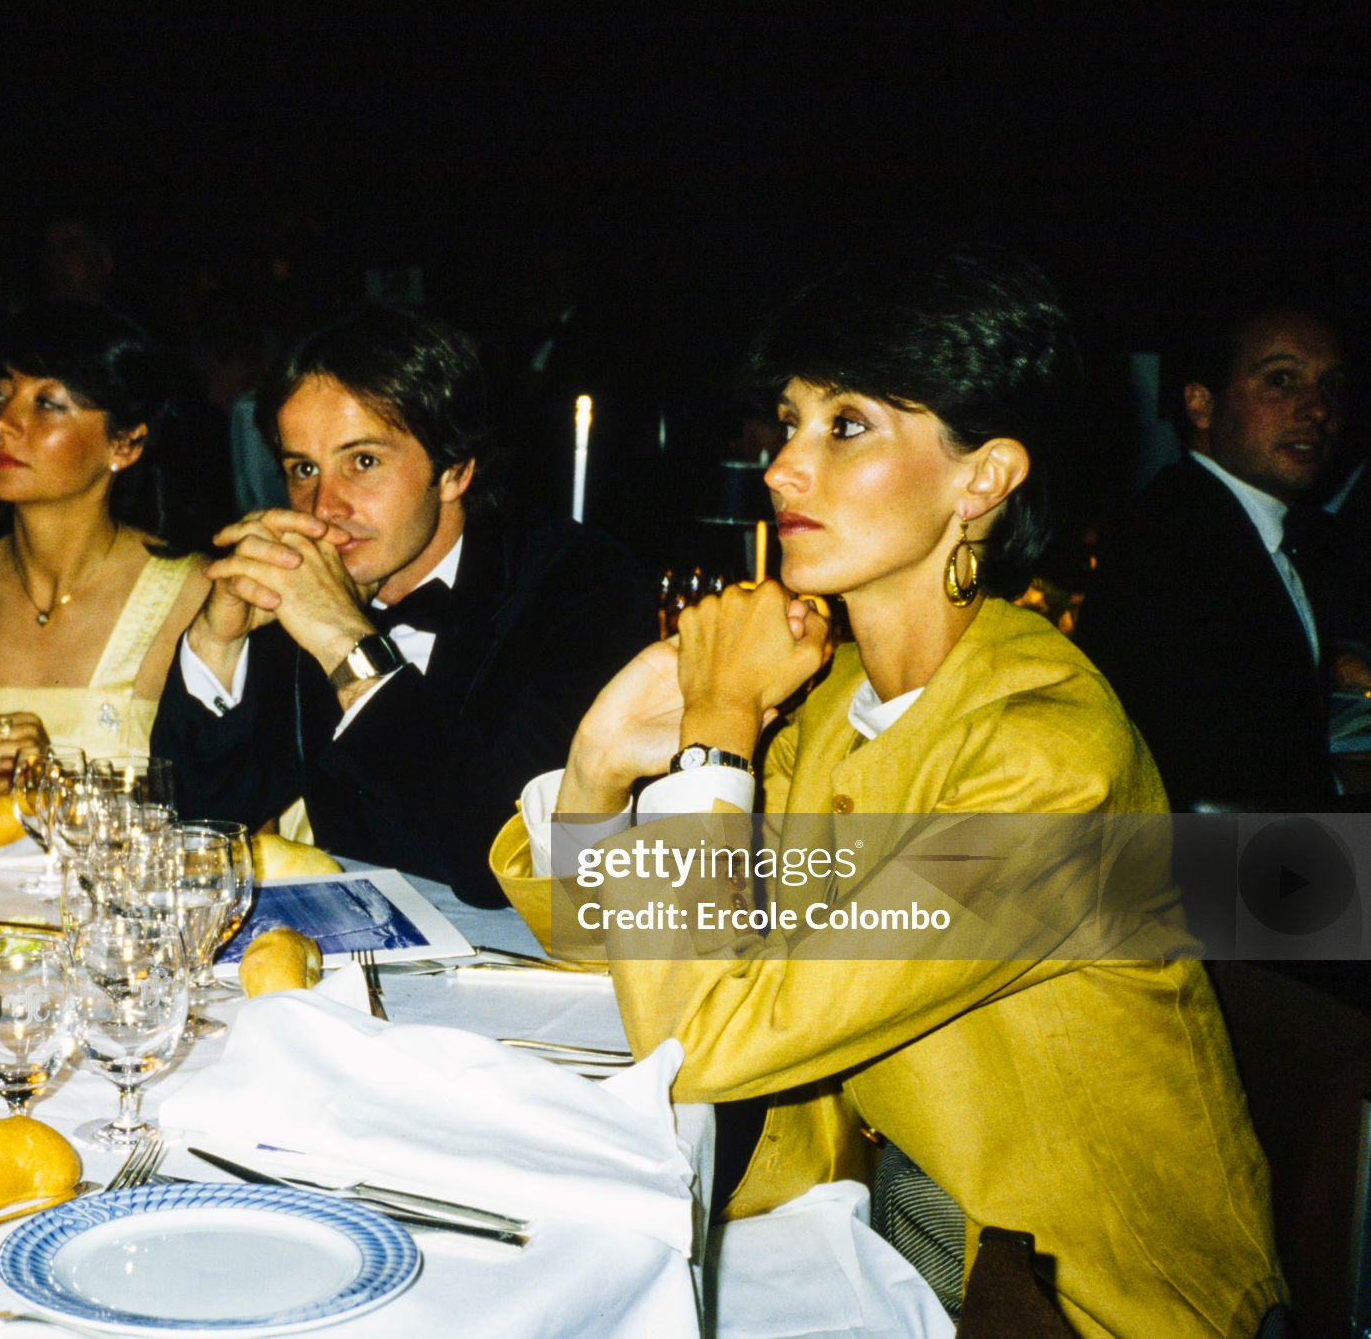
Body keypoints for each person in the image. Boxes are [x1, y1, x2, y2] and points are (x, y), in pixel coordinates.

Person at [492, 245, 1282, 1336]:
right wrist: (595, 769)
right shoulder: (836, 702)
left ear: (983, 477)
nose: (779, 468)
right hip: (873, 1245)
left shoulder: (1048, 769)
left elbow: (700, 1042)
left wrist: (717, 743)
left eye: (845, 425)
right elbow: (608, 942)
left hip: (1076, 1302)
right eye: (786, 421)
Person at [152, 305, 649, 907]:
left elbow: (504, 859)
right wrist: (218, 642)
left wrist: (347, 645)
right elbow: (194, 829)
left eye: (363, 461)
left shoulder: (583, 584)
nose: (323, 506)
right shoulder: (312, 579)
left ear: (455, 470)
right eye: (302, 468)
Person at [0, 301, 207, 792]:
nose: (2, 422)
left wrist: (54, 780)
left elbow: (227, 808)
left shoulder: (191, 594)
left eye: (47, 403)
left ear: (125, 443)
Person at [1076, 304, 1348, 809]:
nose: (1317, 410)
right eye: (1282, 381)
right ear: (1201, 405)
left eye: (1330, 387)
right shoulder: (1169, 548)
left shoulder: (1268, 531)